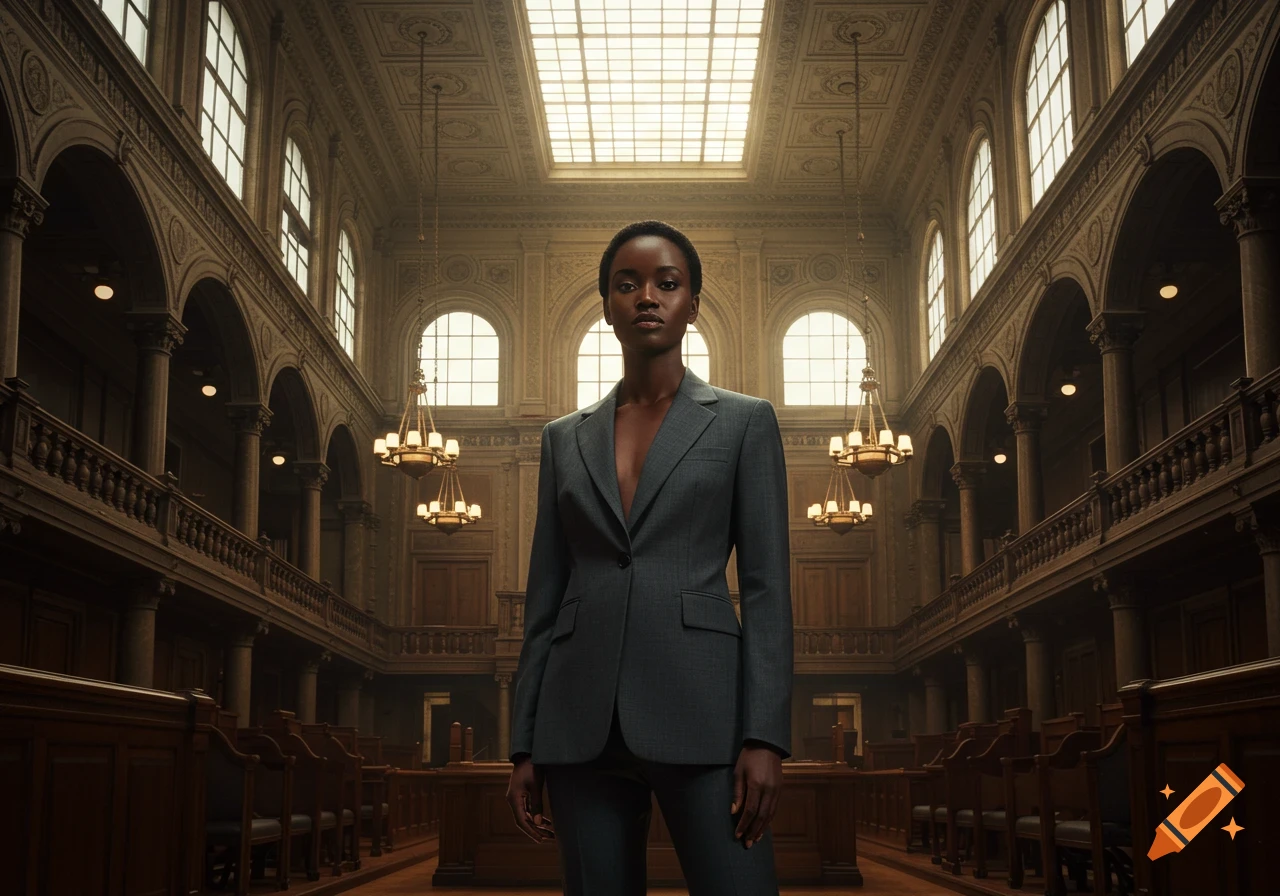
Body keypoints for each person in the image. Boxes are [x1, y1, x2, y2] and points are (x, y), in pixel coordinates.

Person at [505, 220, 793, 896]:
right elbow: (545, 598)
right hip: (580, 724)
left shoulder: (745, 423)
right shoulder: (561, 439)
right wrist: (524, 743)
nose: (646, 297)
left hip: (707, 714)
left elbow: (766, 589)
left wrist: (765, 737)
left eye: (667, 283)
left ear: (693, 302)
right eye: (626, 284)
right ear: (606, 305)